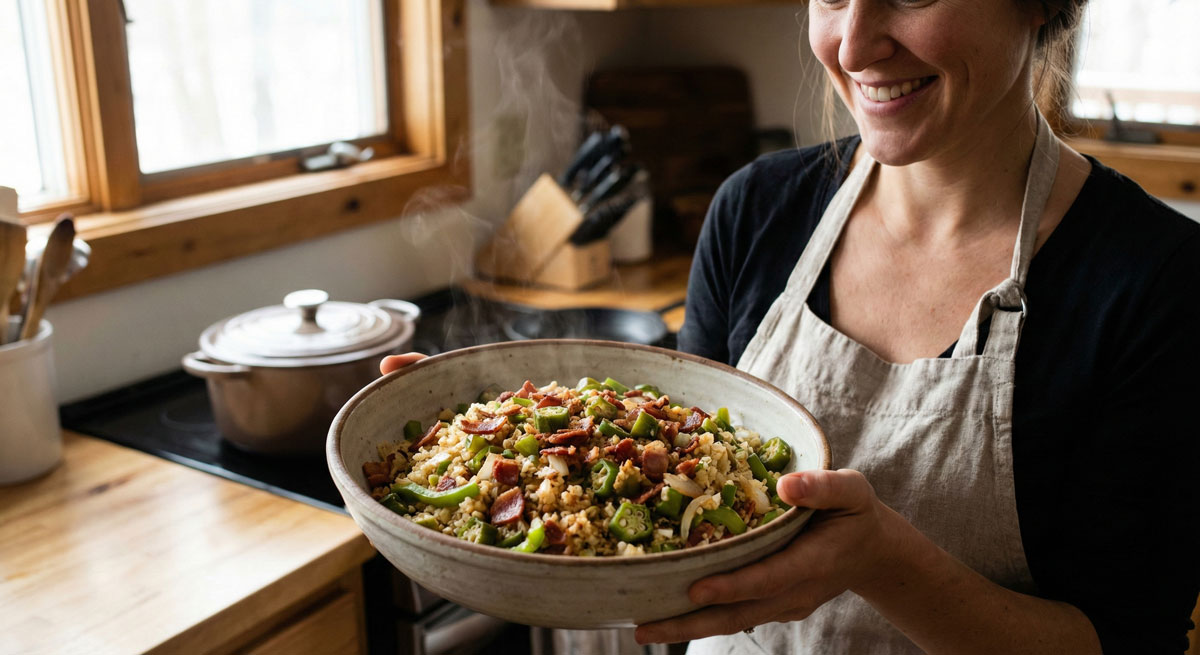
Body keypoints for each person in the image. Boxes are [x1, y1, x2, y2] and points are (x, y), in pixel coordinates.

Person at [383, 0, 1199, 652]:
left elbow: (1128, 639)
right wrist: (492, 456)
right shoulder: (753, 210)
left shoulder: (1157, 282)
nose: (854, 44)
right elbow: (675, 487)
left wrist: (882, 560)